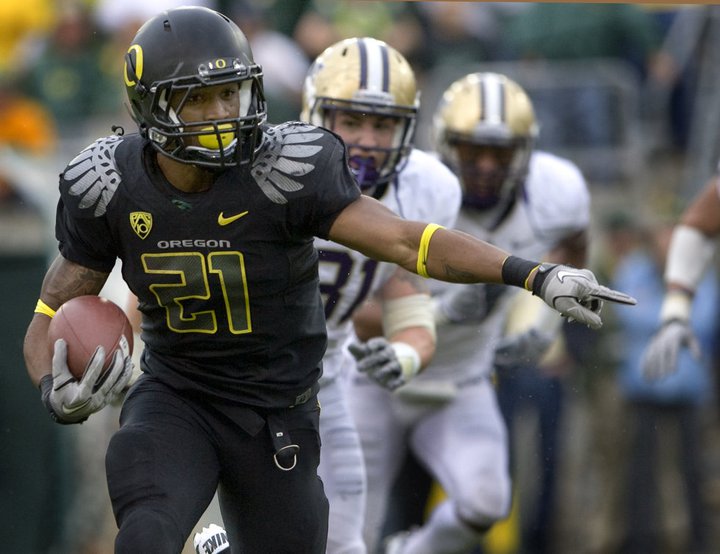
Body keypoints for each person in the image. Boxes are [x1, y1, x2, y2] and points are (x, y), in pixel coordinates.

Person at [22, 7, 635, 553]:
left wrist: (534, 273)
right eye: (197, 100)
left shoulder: (282, 169)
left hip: (277, 409)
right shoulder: (108, 184)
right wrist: (53, 384)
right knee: (148, 534)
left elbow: (406, 241)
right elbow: (50, 314)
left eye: (230, 94)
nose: (220, 114)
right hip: (177, 394)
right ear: (151, 106)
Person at [347, 72, 595, 553]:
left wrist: (545, 324)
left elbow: (574, 243)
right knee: (350, 528)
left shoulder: (556, 191)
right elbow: (353, 306)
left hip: (462, 379)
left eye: (500, 154)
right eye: (472, 150)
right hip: (377, 376)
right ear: (444, 145)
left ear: (524, 153)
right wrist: (440, 314)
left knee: (486, 501)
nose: (485, 166)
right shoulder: (409, 185)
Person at [302, 36, 461, 553]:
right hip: (224, 384)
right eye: (352, 121)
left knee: (346, 543)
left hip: (321, 383)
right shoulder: (264, 170)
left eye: (384, 124)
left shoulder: (425, 187)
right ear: (316, 114)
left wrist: (408, 356)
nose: (368, 140)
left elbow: (408, 302)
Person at [613, 221, 716, 554]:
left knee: (693, 473)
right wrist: (675, 317)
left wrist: (660, 319)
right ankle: (641, 543)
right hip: (643, 391)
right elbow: (627, 313)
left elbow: (703, 321)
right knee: (640, 475)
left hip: (688, 393)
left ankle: (699, 543)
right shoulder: (633, 271)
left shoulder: (704, 277)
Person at [642, 175, 720, 380]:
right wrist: (676, 313)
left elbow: (706, 320)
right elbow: (697, 226)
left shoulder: (708, 278)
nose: (669, 240)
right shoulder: (635, 271)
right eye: (663, 232)